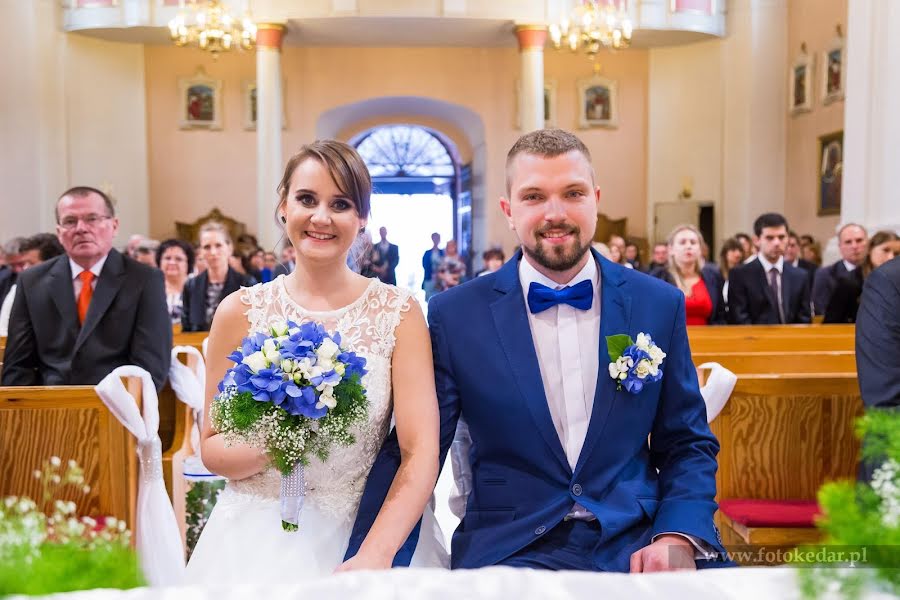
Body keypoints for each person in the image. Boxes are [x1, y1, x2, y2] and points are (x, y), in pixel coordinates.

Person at [350, 129, 728, 572]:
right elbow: (418, 449)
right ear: (509, 211)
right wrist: (369, 557)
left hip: (638, 539)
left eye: (572, 193)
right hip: (510, 547)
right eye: (534, 197)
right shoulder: (457, 315)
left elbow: (686, 443)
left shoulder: (656, 304)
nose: (556, 213)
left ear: (595, 199)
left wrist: (677, 534)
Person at [186, 140, 444, 584]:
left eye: (341, 204)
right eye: (307, 199)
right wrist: (282, 437)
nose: (321, 217)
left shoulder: (397, 313)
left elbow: (420, 451)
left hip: (362, 532)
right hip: (255, 537)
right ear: (284, 206)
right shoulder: (239, 311)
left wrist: (375, 554)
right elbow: (211, 446)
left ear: (361, 219)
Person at [1, 186, 171, 390]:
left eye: (92, 219)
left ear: (114, 226)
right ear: (59, 232)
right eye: (70, 221)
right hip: (50, 409)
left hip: (120, 409)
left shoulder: (144, 280)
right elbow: (17, 366)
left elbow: (151, 365)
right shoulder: (32, 282)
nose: (81, 228)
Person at [727, 213, 811, 325]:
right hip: (753, 339)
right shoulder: (740, 275)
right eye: (769, 238)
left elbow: (804, 318)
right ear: (757, 240)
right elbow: (739, 318)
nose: (776, 243)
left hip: (791, 339)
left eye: (781, 237)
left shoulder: (800, 276)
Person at [181, 222, 253, 332]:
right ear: (200, 251)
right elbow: (186, 327)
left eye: (218, 245)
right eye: (207, 247)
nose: (213, 252)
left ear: (229, 248)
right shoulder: (191, 285)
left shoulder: (247, 283)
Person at [652, 225, 724, 325]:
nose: (688, 246)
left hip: (707, 338)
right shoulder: (658, 277)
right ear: (671, 249)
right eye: (682, 242)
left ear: (700, 249)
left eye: (693, 242)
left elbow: (720, 315)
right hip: (669, 339)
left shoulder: (713, 276)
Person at [824, 231, 899, 324]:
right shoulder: (849, 282)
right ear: (870, 250)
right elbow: (831, 324)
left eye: (896, 253)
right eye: (886, 250)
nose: (891, 257)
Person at [0, 233, 65, 336]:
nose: (23, 270)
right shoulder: (17, 290)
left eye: (30, 264)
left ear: (51, 263)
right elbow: (4, 333)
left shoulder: (76, 288)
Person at [812, 223, 868, 315]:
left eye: (859, 240)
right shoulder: (825, 274)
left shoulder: (877, 273)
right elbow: (821, 310)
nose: (854, 246)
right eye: (848, 242)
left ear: (868, 243)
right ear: (840, 246)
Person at [156, 239, 194, 327]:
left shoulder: (197, 287)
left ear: (188, 263)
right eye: (167, 258)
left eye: (178, 259)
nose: (172, 262)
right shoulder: (151, 289)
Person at [716, 237, 745, 312]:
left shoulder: (745, 273)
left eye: (740, 250)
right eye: (733, 250)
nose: (738, 254)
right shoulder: (717, 274)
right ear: (725, 253)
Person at [421, 232, 444, 300]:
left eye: (437, 238)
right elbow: (425, 265)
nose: (436, 240)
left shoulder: (442, 252)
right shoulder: (427, 253)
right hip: (429, 279)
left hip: (440, 280)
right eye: (434, 238)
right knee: (429, 299)